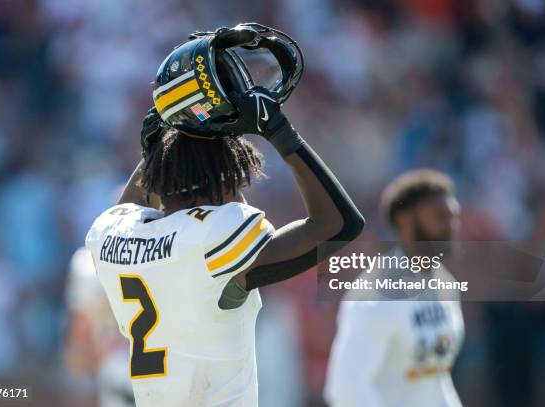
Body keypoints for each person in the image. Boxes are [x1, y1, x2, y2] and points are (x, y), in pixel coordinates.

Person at [84, 29, 364, 406]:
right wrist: (279, 131)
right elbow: (340, 224)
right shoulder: (215, 235)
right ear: (222, 179)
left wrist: (165, 137)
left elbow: (132, 203)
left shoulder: (110, 232)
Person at [324, 169, 464, 407]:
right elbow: (345, 388)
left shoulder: (445, 283)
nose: (452, 226)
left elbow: (435, 376)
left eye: (454, 217)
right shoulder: (377, 295)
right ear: (403, 219)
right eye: (440, 216)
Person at [64, 247, 135, 407]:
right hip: (166, 370)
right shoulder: (166, 246)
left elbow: (78, 344)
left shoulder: (89, 262)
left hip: (119, 373)